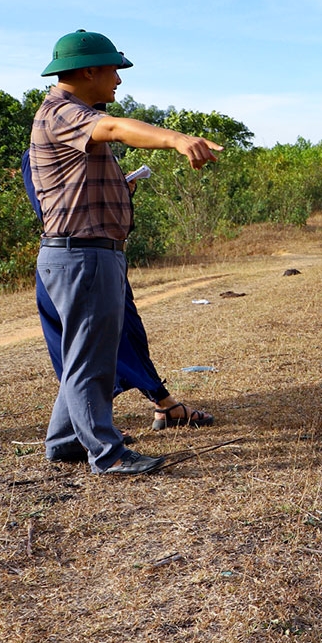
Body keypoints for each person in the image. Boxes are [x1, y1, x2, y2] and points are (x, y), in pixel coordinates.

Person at [29, 29, 221, 474]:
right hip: (83, 255)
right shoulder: (63, 112)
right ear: (89, 70)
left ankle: (66, 441)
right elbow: (116, 128)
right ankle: (108, 453)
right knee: (92, 359)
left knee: (86, 352)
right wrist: (176, 139)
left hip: (83, 253)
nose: (119, 79)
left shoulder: (70, 115)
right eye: (113, 69)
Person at [21, 149, 215, 435]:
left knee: (117, 335)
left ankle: (135, 411)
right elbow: (53, 212)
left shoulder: (91, 151)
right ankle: (93, 432)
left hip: (94, 258)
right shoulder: (43, 153)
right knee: (96, 342)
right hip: (77, 262)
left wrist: (120, 192)